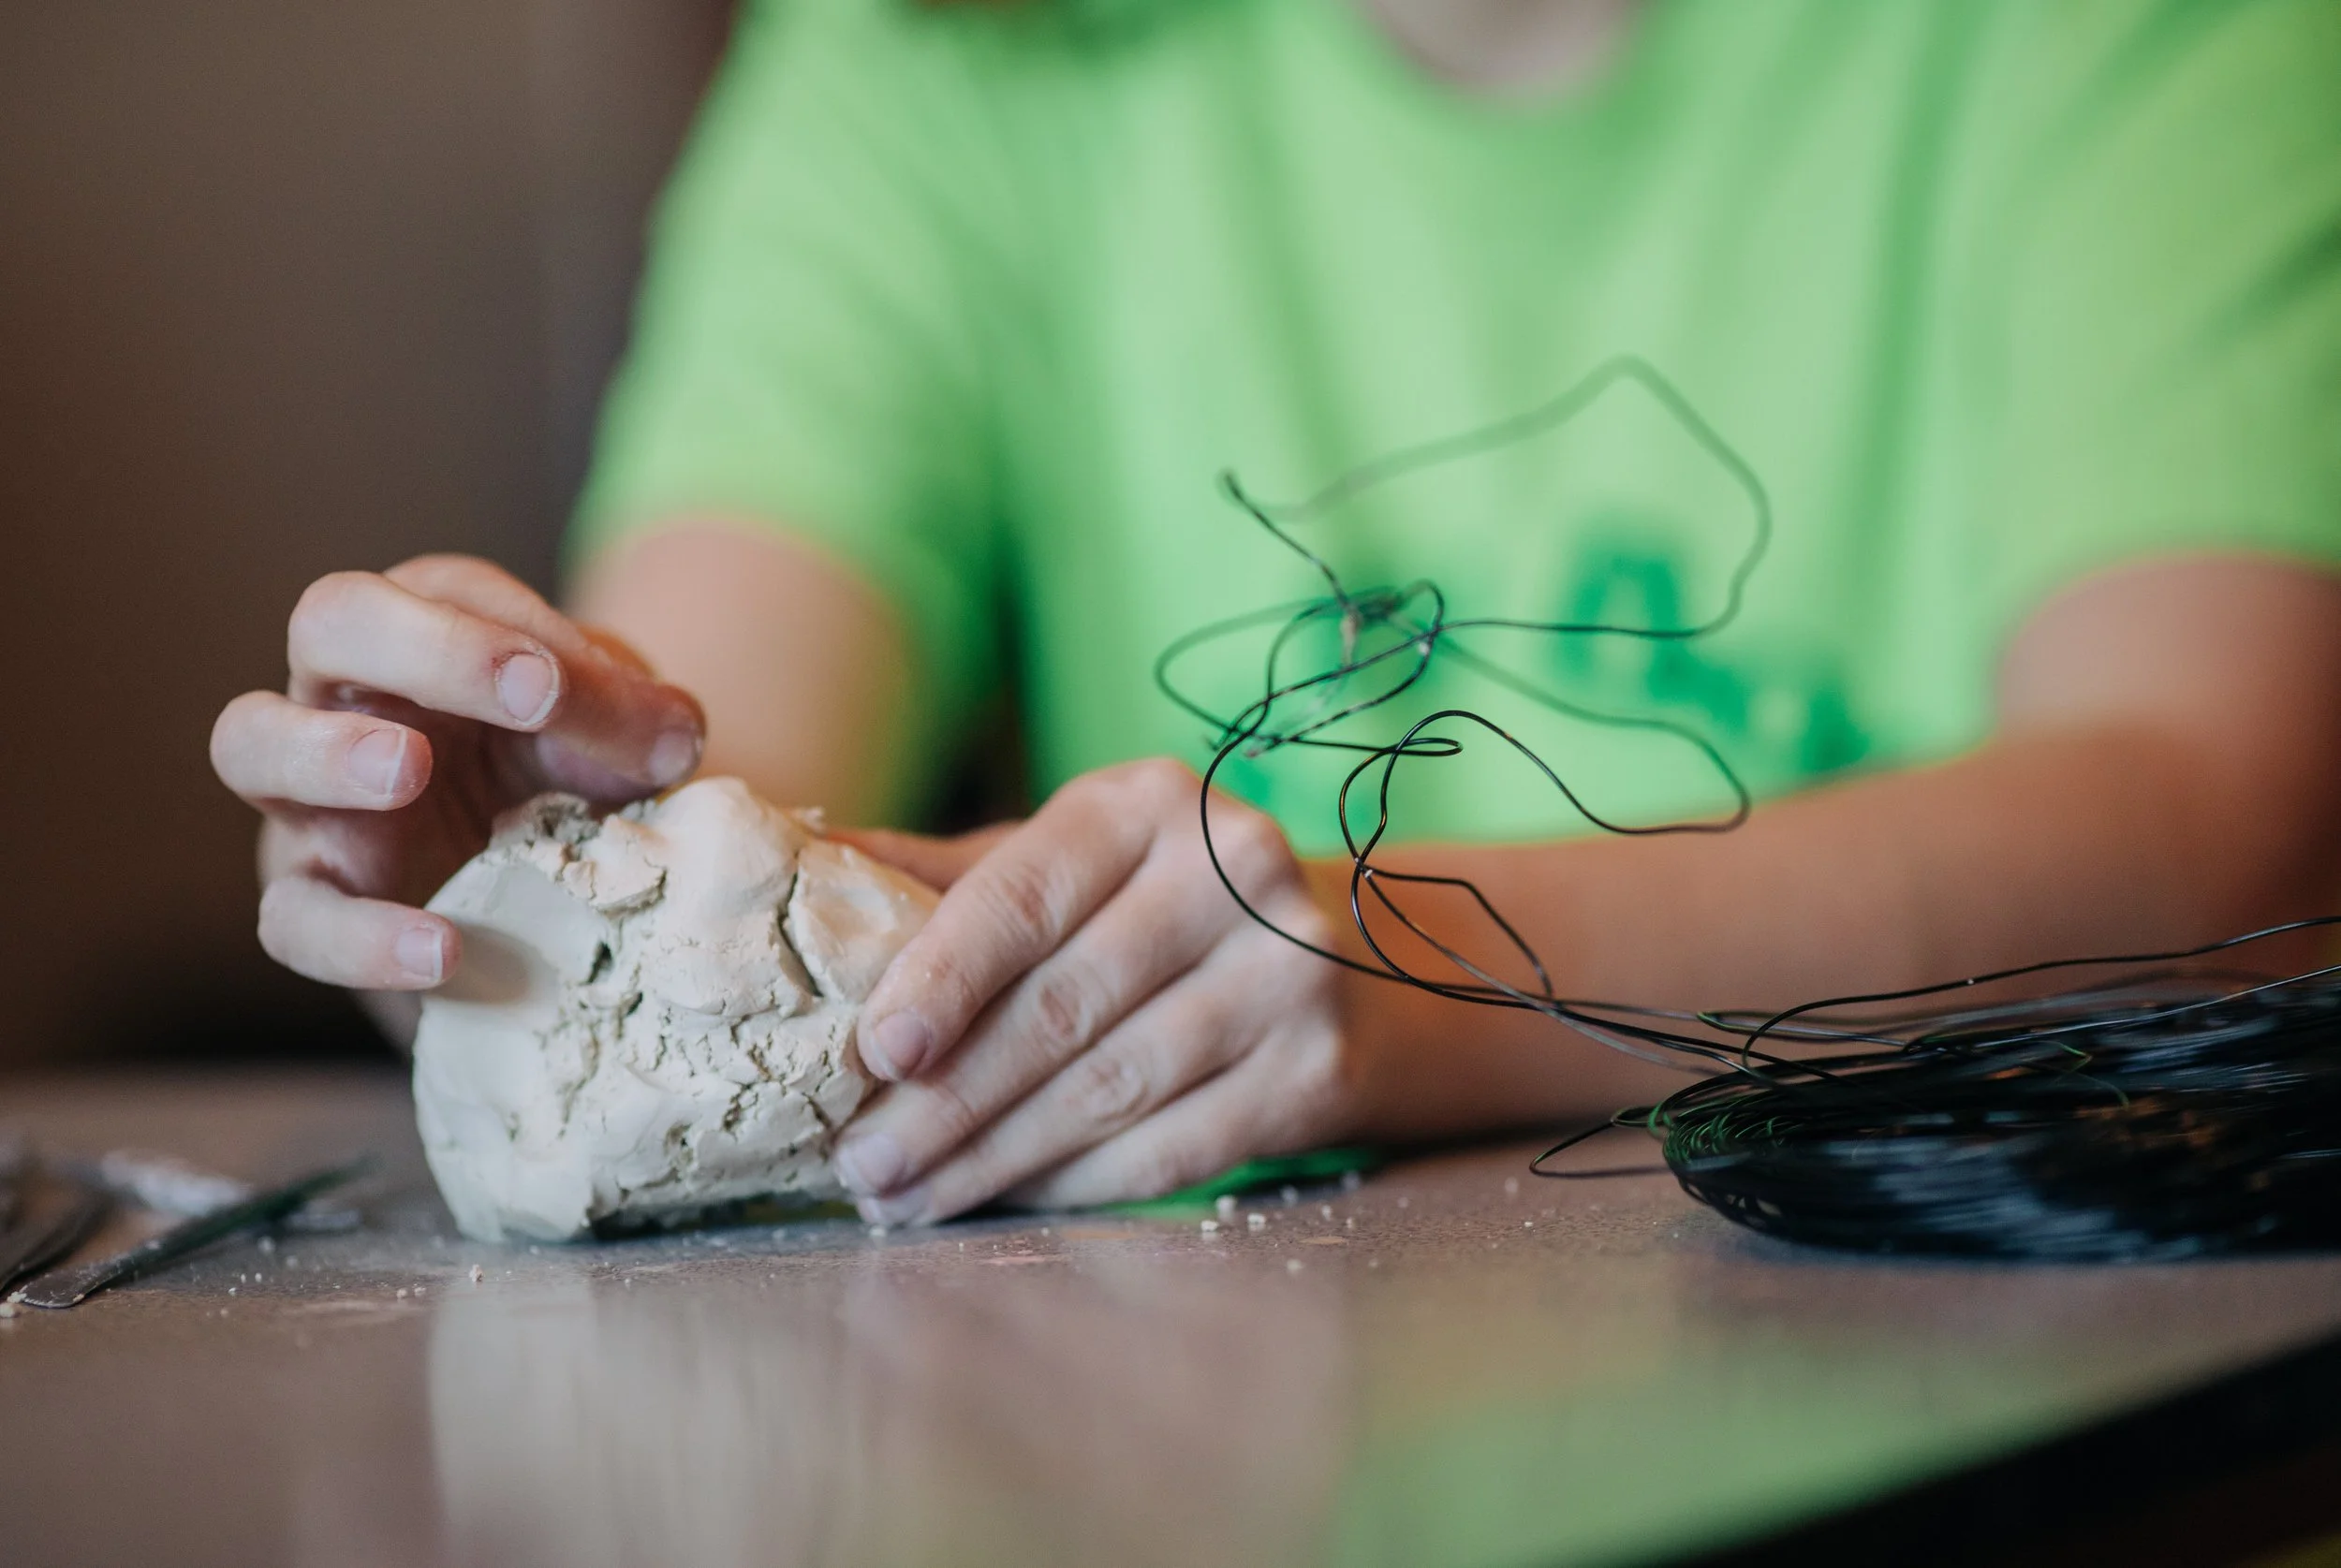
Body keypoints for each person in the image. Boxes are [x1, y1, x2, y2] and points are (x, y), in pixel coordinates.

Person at [210, 0, 2341, 1226]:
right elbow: (707, 755)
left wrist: (1387, 977)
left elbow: (2212, 819)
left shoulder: (2118, 39)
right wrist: (509, 867)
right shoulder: (934, 56)